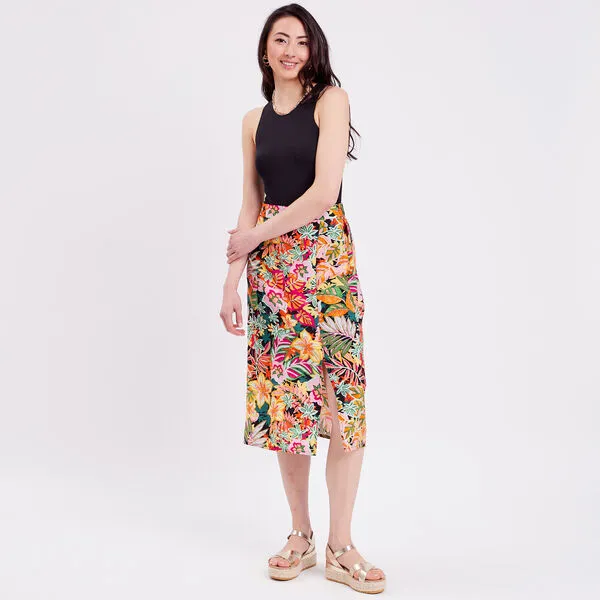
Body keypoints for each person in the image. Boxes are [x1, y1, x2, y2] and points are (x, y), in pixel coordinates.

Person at [220, 3, 386, 594]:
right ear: (265, 51)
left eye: (300, 41)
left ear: (313, 50)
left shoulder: (330, 101)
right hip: (273, 275)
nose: (290, 50)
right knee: (287, 405)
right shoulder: (252, 121)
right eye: (280, 40)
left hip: (325, 266)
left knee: (341, 403)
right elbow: (249, 202)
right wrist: (232, 280)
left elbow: (323, 193)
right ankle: (301, 534)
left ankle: (342, 545)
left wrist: (254, 237)